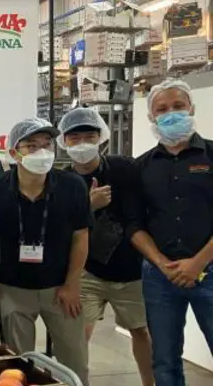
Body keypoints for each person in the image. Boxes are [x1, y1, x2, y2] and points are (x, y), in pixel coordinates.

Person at [0, 117, 90, 385]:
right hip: (12, 288)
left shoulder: (72, 186)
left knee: (74, 362)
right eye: (31, 146)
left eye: (47, 145)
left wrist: (72, 284)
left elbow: (81, 237)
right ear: (14, 153)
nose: (41, 152)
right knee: (17, 365)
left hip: (60, 288)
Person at [57, 107, 153, 386]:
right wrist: (89, 205)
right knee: (78, 335)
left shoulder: (124, 169)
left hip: (130, 270)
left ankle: (150, 382)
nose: (82, 144)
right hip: (86, 272)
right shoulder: (62, 182)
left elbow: (139, 215)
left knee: (141, 331)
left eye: (89, 136)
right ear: (64, 141)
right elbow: (58, 230)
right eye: (75, 138)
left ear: (101, 137)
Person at [130, 79, 213, 386]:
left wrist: (198, 262)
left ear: (192, 108)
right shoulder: (141, 167)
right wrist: (162, 264)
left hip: (210, 270)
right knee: (164, 361)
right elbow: (134, 225)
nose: (171, 113)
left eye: (178, 106)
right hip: (159, 278)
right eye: (162, 109)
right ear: (151, 117)